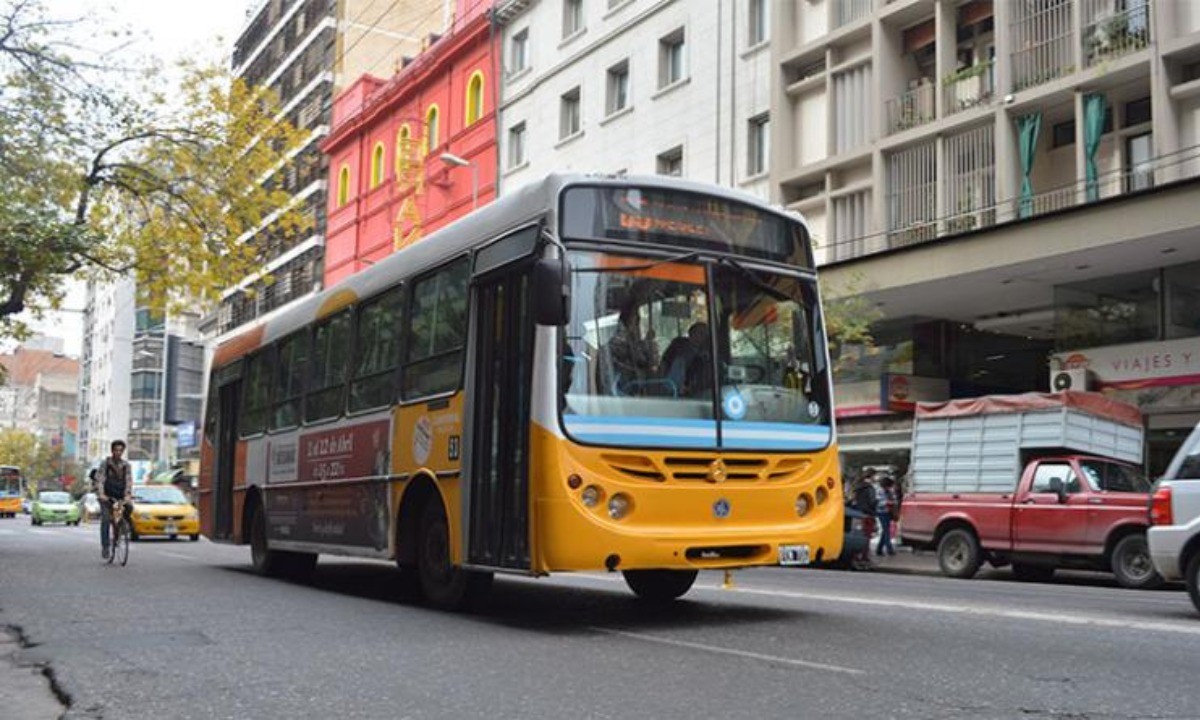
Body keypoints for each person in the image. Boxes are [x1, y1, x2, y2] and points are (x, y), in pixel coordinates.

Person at [604, 306, 657, 394]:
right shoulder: (621, 336)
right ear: (629, 318)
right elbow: (636, 358)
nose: (636, 324)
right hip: (621, 382)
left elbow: (641, 359)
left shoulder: (631, 339)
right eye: (636, 320)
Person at [95, 440, 133, 560]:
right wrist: (101, 494)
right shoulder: (105, 464)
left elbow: (129, 481)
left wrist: (127, 495)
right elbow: (100, 480)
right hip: (106, 497)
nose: (118, 452)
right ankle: (105, 546)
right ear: (112, 451)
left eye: (120, 450)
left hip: (120, 497)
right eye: (116, 450)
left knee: (129, 508)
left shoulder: (126, 466)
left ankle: (121, 531)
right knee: (106, 519)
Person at [659, 321, 711, 396]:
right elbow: (664, 362)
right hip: (671, 386)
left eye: (704, 335)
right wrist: (661, 381)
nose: (701, 337)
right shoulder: (678, 346)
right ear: (690, 333)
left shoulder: (706, 355)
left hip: (695, 390)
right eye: (699, 333)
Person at [875, 476, 898, 556]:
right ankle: (889, 549)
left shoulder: (890, 491)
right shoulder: (879, 491)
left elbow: (895, 499)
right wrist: (887, 503)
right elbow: (878, 503)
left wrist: (893, 503)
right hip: (881, 512)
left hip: (889, 512)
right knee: (886, 531)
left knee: (885, 531)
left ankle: (879, 549)